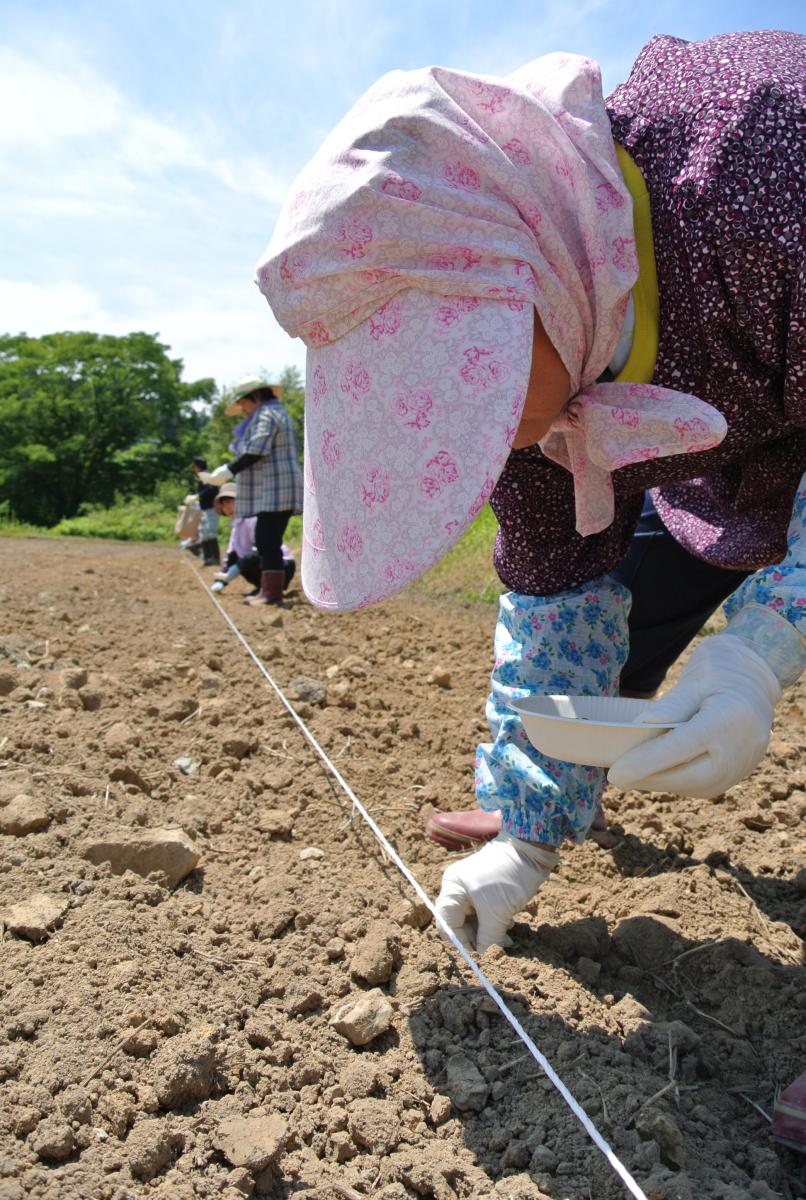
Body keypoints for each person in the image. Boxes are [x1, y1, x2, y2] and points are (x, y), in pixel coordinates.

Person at [256, 31, 806, 953]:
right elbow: (557, 595)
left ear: (538, 272)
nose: (476, 423)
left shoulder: (762, 164)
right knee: (629, 585)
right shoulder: (537, 398)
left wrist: (764, 642)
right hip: (728, 430)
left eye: (470, 372)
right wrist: (526, 834)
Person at [199, 378, 303, 606]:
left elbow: (256, 450)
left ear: (255, 398)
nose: (244, 411)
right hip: (275, 489)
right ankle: (267, 591)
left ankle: (271, 594)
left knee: (267, 541)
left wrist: (227, 470)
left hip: (277, 489)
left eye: (244, 404)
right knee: (267, 540)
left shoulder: (267, 415)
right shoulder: (274, 413)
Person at [210, 481, 297, 596]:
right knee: (241, 559)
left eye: (230, 502)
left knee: (247, 559)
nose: (228, 508)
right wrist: (220, 581)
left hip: (282, 565)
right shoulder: (236, 527)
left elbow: (259, 549)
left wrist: (233, 571)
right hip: (266, 565)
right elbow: (231, 557)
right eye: (224, 505)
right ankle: (262, 587)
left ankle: (270, 588)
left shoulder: (253, 519)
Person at [189, 456, 221, 566]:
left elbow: (211, 489)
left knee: (210, 533)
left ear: (198, 467)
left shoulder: (206, 475)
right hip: (206, 509)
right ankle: (207, 558)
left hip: (211, 509)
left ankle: (215, 558)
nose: (194, 469)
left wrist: (198, 496)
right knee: (204, 533)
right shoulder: (204, 476)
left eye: (194, 467)